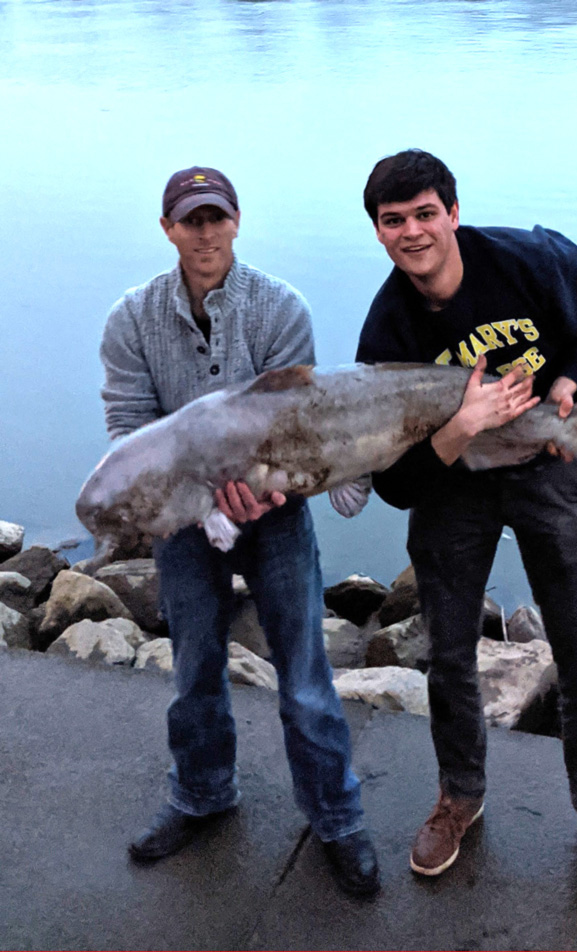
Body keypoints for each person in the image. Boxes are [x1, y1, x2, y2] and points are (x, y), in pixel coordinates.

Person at [352, 149, 577, 915]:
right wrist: (461, 428)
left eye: (424, 213)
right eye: (393, 220)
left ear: (451, 210)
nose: (412, 232)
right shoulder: (386, 336)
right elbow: (394, 484)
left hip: (547, 461)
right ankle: (460, 798)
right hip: (452, 490)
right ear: (378, 232)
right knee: (447, 654)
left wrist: (571, 383)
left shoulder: (530, 260)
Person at [99, 166, 380, 897]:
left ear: (236, 221)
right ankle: (201, 797)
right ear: (167, 229)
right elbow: (130, 433)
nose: (204, 233)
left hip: (278, 515)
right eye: (190, 221)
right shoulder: (131, 320)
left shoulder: (281, 307)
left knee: (305, 678)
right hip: (185, 524)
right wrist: (194, 505)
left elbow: (304, 426)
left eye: (215, 218)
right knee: (193, 671)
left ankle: (337, 818)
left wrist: (259, 493)